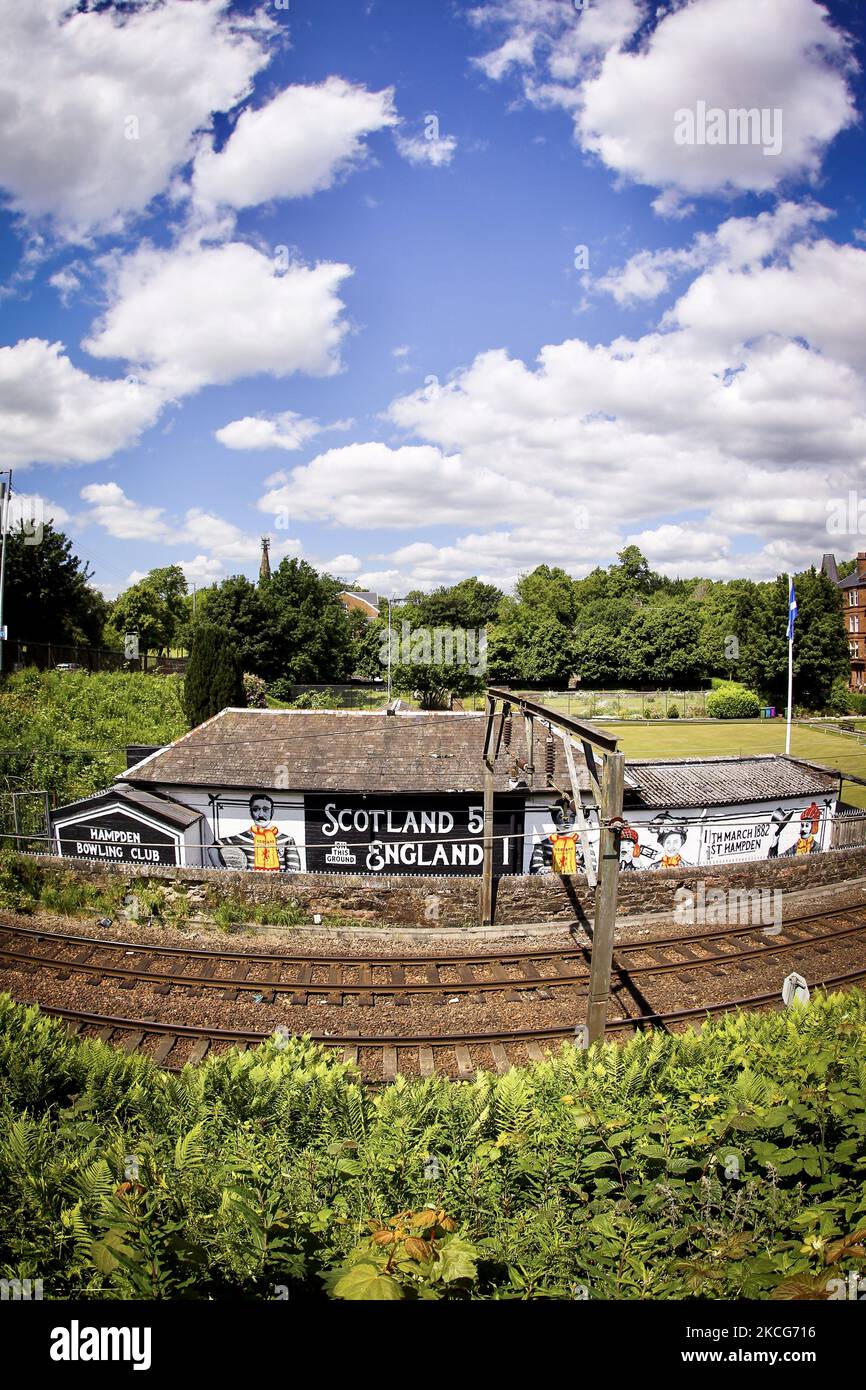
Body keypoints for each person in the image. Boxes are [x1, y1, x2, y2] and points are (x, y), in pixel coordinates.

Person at [213, 793, 301, 872]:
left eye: (265, 810)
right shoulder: (242, 838)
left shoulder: (287, 840)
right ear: (250, 812)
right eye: (256, 809)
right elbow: (212, 847)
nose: (261, 815)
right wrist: (220, 870)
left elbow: (294, 871)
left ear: (272, 812)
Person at [530, 800, 586, 875]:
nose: (567, 820)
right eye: (561, 816)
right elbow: (535, 871)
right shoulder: (541, 846)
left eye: (572, 816)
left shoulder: (585, 845)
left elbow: (591, 870)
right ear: (553, 818)